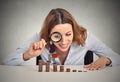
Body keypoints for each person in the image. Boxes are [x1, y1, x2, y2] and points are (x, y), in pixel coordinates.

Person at [2, 8, 120, 70]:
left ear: (74, 31)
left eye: (68, 34)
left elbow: (117, 58)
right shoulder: (38, 38)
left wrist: (107, 60)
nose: (64, 42)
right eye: (57, 36)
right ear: (48, 34)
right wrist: (27, 54)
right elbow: (5, 61)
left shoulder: (84, 36)